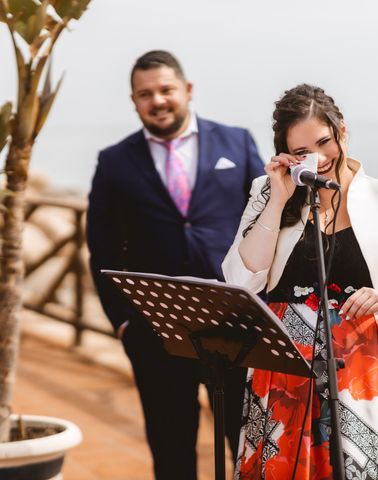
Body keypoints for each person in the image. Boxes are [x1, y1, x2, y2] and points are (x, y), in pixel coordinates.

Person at [222, 84, 378, 479]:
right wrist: (277, 199)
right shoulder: (267, 192)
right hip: (284, 375)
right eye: (301, 151)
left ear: (342, 131)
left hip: (369, 377)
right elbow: (241, 278)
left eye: (324, 142)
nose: (318, 158)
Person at [86, 50, 265, 480]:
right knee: (171, 453)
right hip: (156, 331)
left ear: (187, 90)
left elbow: (267, 221)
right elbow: (102, 247)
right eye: (145, 94)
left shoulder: (236, 142)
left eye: (166, 90)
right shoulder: (114, 161)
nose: (158, 101)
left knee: (250, 451)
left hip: (236, 325)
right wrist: (122, 323)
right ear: (134, 101)